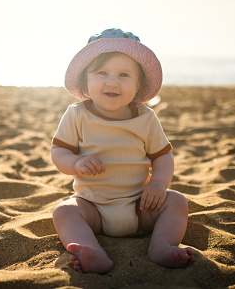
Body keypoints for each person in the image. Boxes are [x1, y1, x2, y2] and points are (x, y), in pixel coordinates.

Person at [51, 28, 194, 274]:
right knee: (64, 212)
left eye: (124, 74)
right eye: (102, 73)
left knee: (177, 201)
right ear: (87, 80)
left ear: (138, 85)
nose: (112, 82)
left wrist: (158, 183)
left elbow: (162, 156)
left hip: (141, 206)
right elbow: (58, 153)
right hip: (92, 208)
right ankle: (92, 251)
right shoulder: (76, 114)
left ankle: (161, 245)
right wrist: (75, 163)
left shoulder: (145, 118)